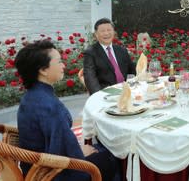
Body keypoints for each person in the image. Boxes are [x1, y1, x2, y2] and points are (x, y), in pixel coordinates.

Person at [15, 40, 118, 181]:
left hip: (34, 169)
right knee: (115, 155)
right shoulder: (49, 106)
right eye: (59, 62)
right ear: (43, 70)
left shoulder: (30, 96)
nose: (64, 65)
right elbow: (63, 152)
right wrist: (80, 153)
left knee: (99, 149)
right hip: (53, 173)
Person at [84, 18, 136, 95]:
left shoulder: (122, 50)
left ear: (114, 32)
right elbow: (90, 79)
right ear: (96, 34)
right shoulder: (91, 53)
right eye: (102, 31)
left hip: (127, 90)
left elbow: (133, 71)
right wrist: (98, 96)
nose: (106, 33)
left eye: (109, 30)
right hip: (107, 93)